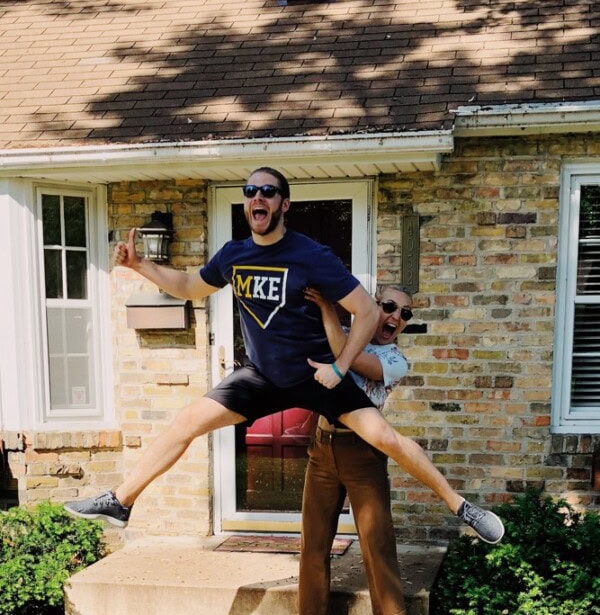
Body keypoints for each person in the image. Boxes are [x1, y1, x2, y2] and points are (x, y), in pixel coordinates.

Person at [64, 167, 504, 557]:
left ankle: (461, 506)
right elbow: (187, 285)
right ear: (245, 201)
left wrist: (339, 367)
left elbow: (367, 312)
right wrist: (140, 265)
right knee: (185, 423)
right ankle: (121, 501)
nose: (258, 197)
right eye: (251, 190)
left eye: (269, 192)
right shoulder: (234, 255)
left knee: (385, 437)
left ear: (284, 203)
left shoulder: (311, 255)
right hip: (261, 376)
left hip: (315, 374)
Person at [273, 285, 416, 615]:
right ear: (372, 307)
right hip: (322, 445)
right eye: (388, 307)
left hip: (363, 453)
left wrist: (328, 309)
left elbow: (347, 359)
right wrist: (322, 307)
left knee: (376, 538)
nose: (395, 318)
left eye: (404, 314)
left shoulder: (397, 361)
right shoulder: (346, 335)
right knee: (314, 537)